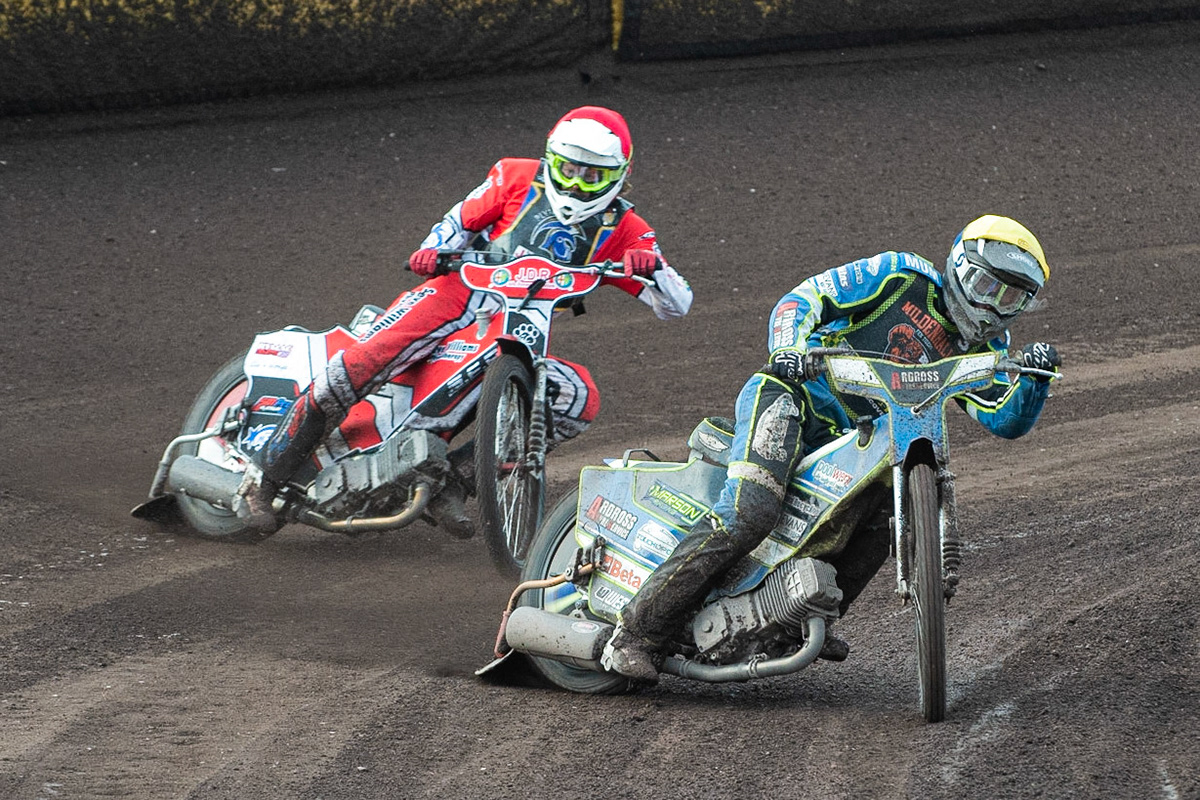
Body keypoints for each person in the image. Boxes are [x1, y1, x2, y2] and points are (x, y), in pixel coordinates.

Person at [601, 214, 1062, 683]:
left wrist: (1036, 382)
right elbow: (803, 298)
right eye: (985, 285)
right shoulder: (901, 275)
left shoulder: (988, 348)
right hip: (791, 398)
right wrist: (788, 349)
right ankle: (636, 632)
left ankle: (801, 615)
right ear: (959, 267)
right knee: (752, 510)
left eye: (1010, 297)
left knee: (887, 504)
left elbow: (1003, 419)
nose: (991, 305)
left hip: (859, 441)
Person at [233, 106, 693, 535]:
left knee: (575, 398)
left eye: (591, 175)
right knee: (370, 357)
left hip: (520, 323)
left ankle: (453, 482)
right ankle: (263, 476)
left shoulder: (627, 229)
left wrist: (653, 270)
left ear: (618, 176)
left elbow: (677, 305)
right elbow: (455, 224)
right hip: (458, 292)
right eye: (568, 169)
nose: (574, 184)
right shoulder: (514, 175)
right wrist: (433, 249)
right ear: (550, 159)